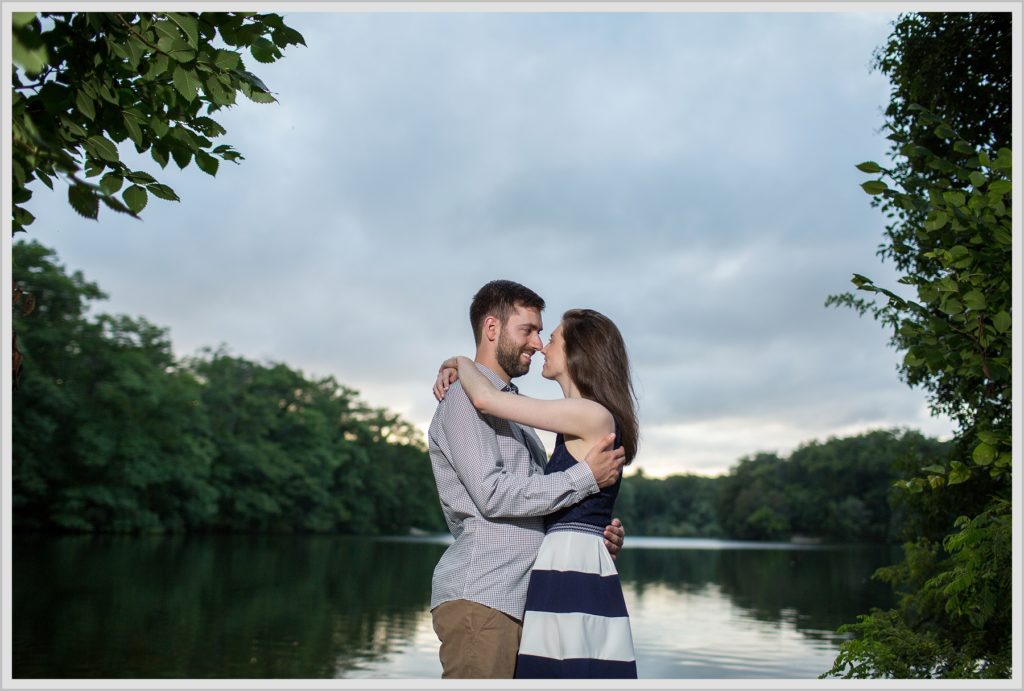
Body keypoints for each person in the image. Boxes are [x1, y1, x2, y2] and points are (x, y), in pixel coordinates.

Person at [427, 280, 628, 679]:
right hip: (485, 595)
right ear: (492, 329)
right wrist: (585, 478)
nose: (537, 343)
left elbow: (541, 501)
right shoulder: (465, 401)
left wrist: (590, 531)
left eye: (542, 333)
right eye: (529, 330)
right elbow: (495, 495)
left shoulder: (522, 423)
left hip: (525, 599)